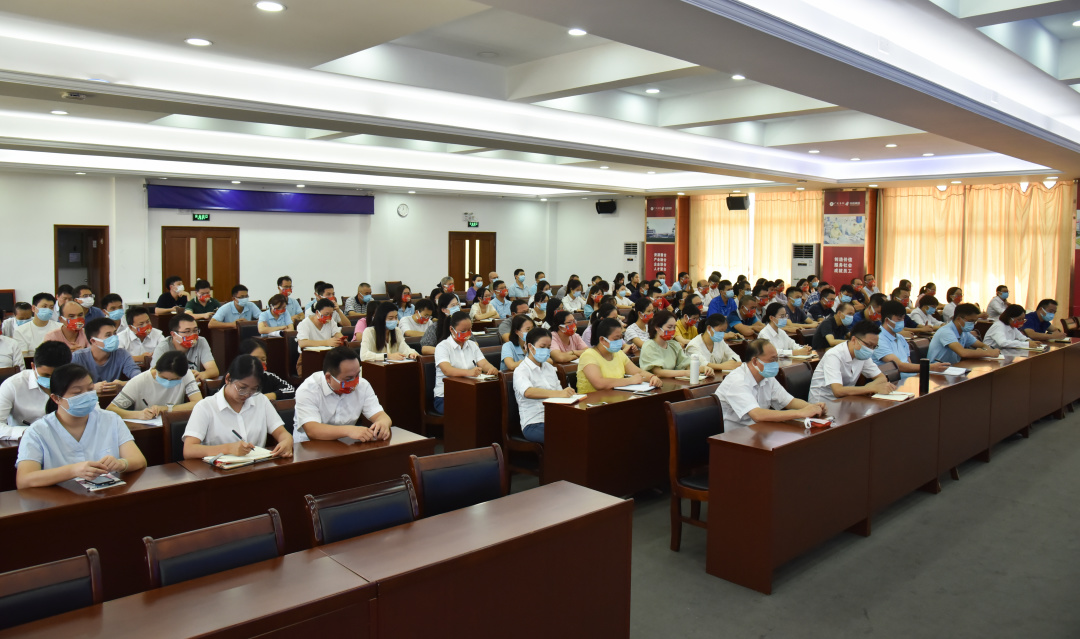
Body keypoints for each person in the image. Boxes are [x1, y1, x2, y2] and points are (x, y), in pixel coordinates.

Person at [15, 363, 147, 489]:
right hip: (60, 499)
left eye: (90, 389)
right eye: (77, 393)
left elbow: (139, 460)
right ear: (56, 398)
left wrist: (121, 464)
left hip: (107, 495)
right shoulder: (37, 432)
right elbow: (24, 480)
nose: (87, 396)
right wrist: (73, 470)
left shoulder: (111, 419)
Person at [182, 355, 293, 459]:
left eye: (253, 389)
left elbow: (282, 433)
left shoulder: (261, 400)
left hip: (256, 467)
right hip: (218, 470)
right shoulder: (205, 407)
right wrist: (228, 449)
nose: (247, 394)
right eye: (242, 388)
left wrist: (287, 441)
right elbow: (189, 450)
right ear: (228, 378)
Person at [715, 340, 825, 431]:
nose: (776, 364)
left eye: (776, 359)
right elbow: (757, 415)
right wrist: (800, 413)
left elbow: (789, 401)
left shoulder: (766, 377)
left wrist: (812, 407)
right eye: (772, 360)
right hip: (734, 437)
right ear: (755, 361)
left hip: (758, 431)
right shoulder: (737, 380)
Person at [292, 346, 391, 443]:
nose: (355, 382)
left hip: (346, 445)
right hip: (310, 446)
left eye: (357, 375)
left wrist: (383, 423)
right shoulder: (308, 390)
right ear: (328, 378)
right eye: (348, 379)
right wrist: (349, 430)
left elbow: (380, 415)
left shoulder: (363, 385)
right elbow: (312, 430)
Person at [512, 327, 575, 443]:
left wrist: (569, 394)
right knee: (566, 437)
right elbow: (528, 392)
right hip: (534, 423)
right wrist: (559, 393)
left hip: (555, 418)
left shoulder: (550, 368)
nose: (546, 350)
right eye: (542, 347)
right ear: (530, 346)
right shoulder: (521, 370)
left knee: (582, 428)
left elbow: (561, 394)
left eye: (548, 347)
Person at [809, 322, 894, 402]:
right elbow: (838, 391)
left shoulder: (863, 354)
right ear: (854, 340)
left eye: (874, 347)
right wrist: (870, 388)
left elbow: (882, 378)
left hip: (846, 400)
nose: (871, 350)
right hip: (824, 403)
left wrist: (870, 387)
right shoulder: (833, 355)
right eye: (868, 345)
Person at [0, 341, 71, 438]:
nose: (51, 380)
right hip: (25, 440)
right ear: (33, 367)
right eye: (46, 375)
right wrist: (29, 432)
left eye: (57, 375)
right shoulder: (12, 385)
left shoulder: (76, 383)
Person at [433, 311, 499, 413]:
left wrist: (492, 369)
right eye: (463, 331)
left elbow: (483, 363)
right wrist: (469, 373)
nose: (467, 333)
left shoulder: (472, 345)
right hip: (446, 396)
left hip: (470, 392)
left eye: (469, 330)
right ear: (451, 329)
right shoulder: (442, 346)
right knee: (468, 411)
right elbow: (447, 370)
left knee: (491, 406)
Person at [107, 351, 203, 420]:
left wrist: (166, 409)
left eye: (175, 379)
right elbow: (111, 409)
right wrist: (139, 414)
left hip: (173, 424)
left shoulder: (186, 374)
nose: (168, 381)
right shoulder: (139, 381)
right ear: (156, 369)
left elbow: (198, 403)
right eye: (164, 378)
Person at [577, 318, 661, 393]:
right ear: (602, 339)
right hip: (592, 402)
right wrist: (630, 380)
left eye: (621, 338)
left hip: (616, 397)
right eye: (616, 339)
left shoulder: (618, 354)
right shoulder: (588, 355)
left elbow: (638, 372)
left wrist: (652, 377)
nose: (620, 341)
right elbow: (599, 383)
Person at [873, 301, 949, 380]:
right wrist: (930, 367)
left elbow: (908, 363)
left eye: (903, 318)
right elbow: (898, 366)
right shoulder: (878, 339)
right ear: (887, 320)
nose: (902, 322)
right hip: (892, 381)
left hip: (909, 378)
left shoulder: (900, 338)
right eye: (899, 319)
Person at [639, 310, 716, 378]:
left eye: (674, 327)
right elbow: (658, 372)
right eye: (669, 327)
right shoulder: (649, 346)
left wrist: (703, 368)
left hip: (673, 383)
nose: (672, 330)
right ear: (657, 328)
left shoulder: (674, 345)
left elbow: (686, 365)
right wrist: (685, 373)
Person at [71, 318, 140, 393]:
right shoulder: (77, 357)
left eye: (114, 333)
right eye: (108, 335)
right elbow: (69, 387)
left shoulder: (122, 354)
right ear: (93, 341)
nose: (114, 338)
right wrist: (91, 388)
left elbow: (138, 377)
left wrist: (123, 385)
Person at [150, 313, 220, 381]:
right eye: (187, 331)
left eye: (195, 330)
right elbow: (153, 373)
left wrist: (201, 375)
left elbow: (214, 370)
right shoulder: (163, 347)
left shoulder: (201, 341)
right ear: (174, 334)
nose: (193, 335)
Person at [928, 303, 1001, 364]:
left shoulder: (964, 332)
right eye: (971, 321)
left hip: (952, 368)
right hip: (936, 369)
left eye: (974, 321)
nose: (973, 324)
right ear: (959, 319)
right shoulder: (946, 331)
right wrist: (988, 353)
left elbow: (982, 345)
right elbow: (963, 353)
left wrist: (988, 349)